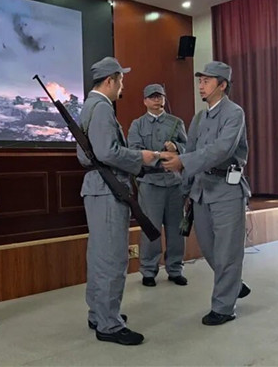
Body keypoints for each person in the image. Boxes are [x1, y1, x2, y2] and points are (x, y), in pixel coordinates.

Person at [77, 56, 163, 346]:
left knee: (99, 255)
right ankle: (109, 324)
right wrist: (141, 157)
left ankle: (99, 313)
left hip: (99, 188)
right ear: (110, 80)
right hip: (108, 188)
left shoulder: (90, 106)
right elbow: (107, 152)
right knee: (112, 258)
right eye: (121, 80)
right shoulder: (101, 107)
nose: (122, 86)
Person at [162, 61, 252, 326]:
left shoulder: (234, 113)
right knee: (210, 248)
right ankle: (233, 284)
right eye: (200, 81)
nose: (201, 86)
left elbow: (222, 150)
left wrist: (183, 162)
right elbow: (191, 150)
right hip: (201, 190)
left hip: (226, 189)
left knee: (227, 252)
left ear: (222, 85)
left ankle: (223, 307)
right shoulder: (199, 118)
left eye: (206, 81)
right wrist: (186, 190)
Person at [127, 84, 188, 288]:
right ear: (145, 101)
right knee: (150, 230)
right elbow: (134, 151)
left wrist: (177, 146)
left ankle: (175, 269)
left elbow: (189, 148)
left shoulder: (176, 122)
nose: (157, 100)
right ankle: (148, 270)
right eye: (152, 97)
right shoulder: (137, 125)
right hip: (150, 183)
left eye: (160, 96)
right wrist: (159, 156)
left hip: (173, 182)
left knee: (176, 229)